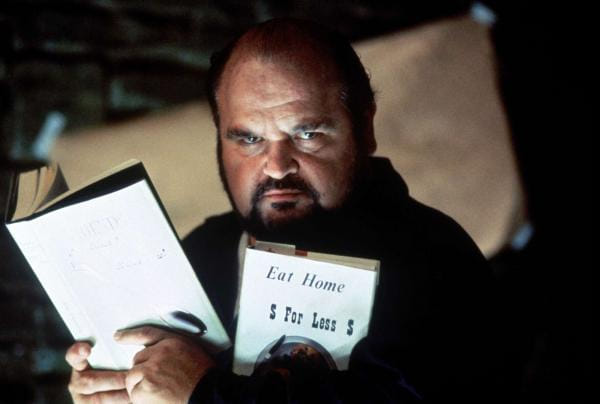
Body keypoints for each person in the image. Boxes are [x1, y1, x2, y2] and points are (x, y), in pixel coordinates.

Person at [65, 18, 500, 403]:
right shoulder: (202, 254)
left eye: (307, 134)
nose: (276, 166)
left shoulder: (437, 262)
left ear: (364, 128)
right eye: (249, 139)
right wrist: (122, 392)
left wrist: (203, 394)